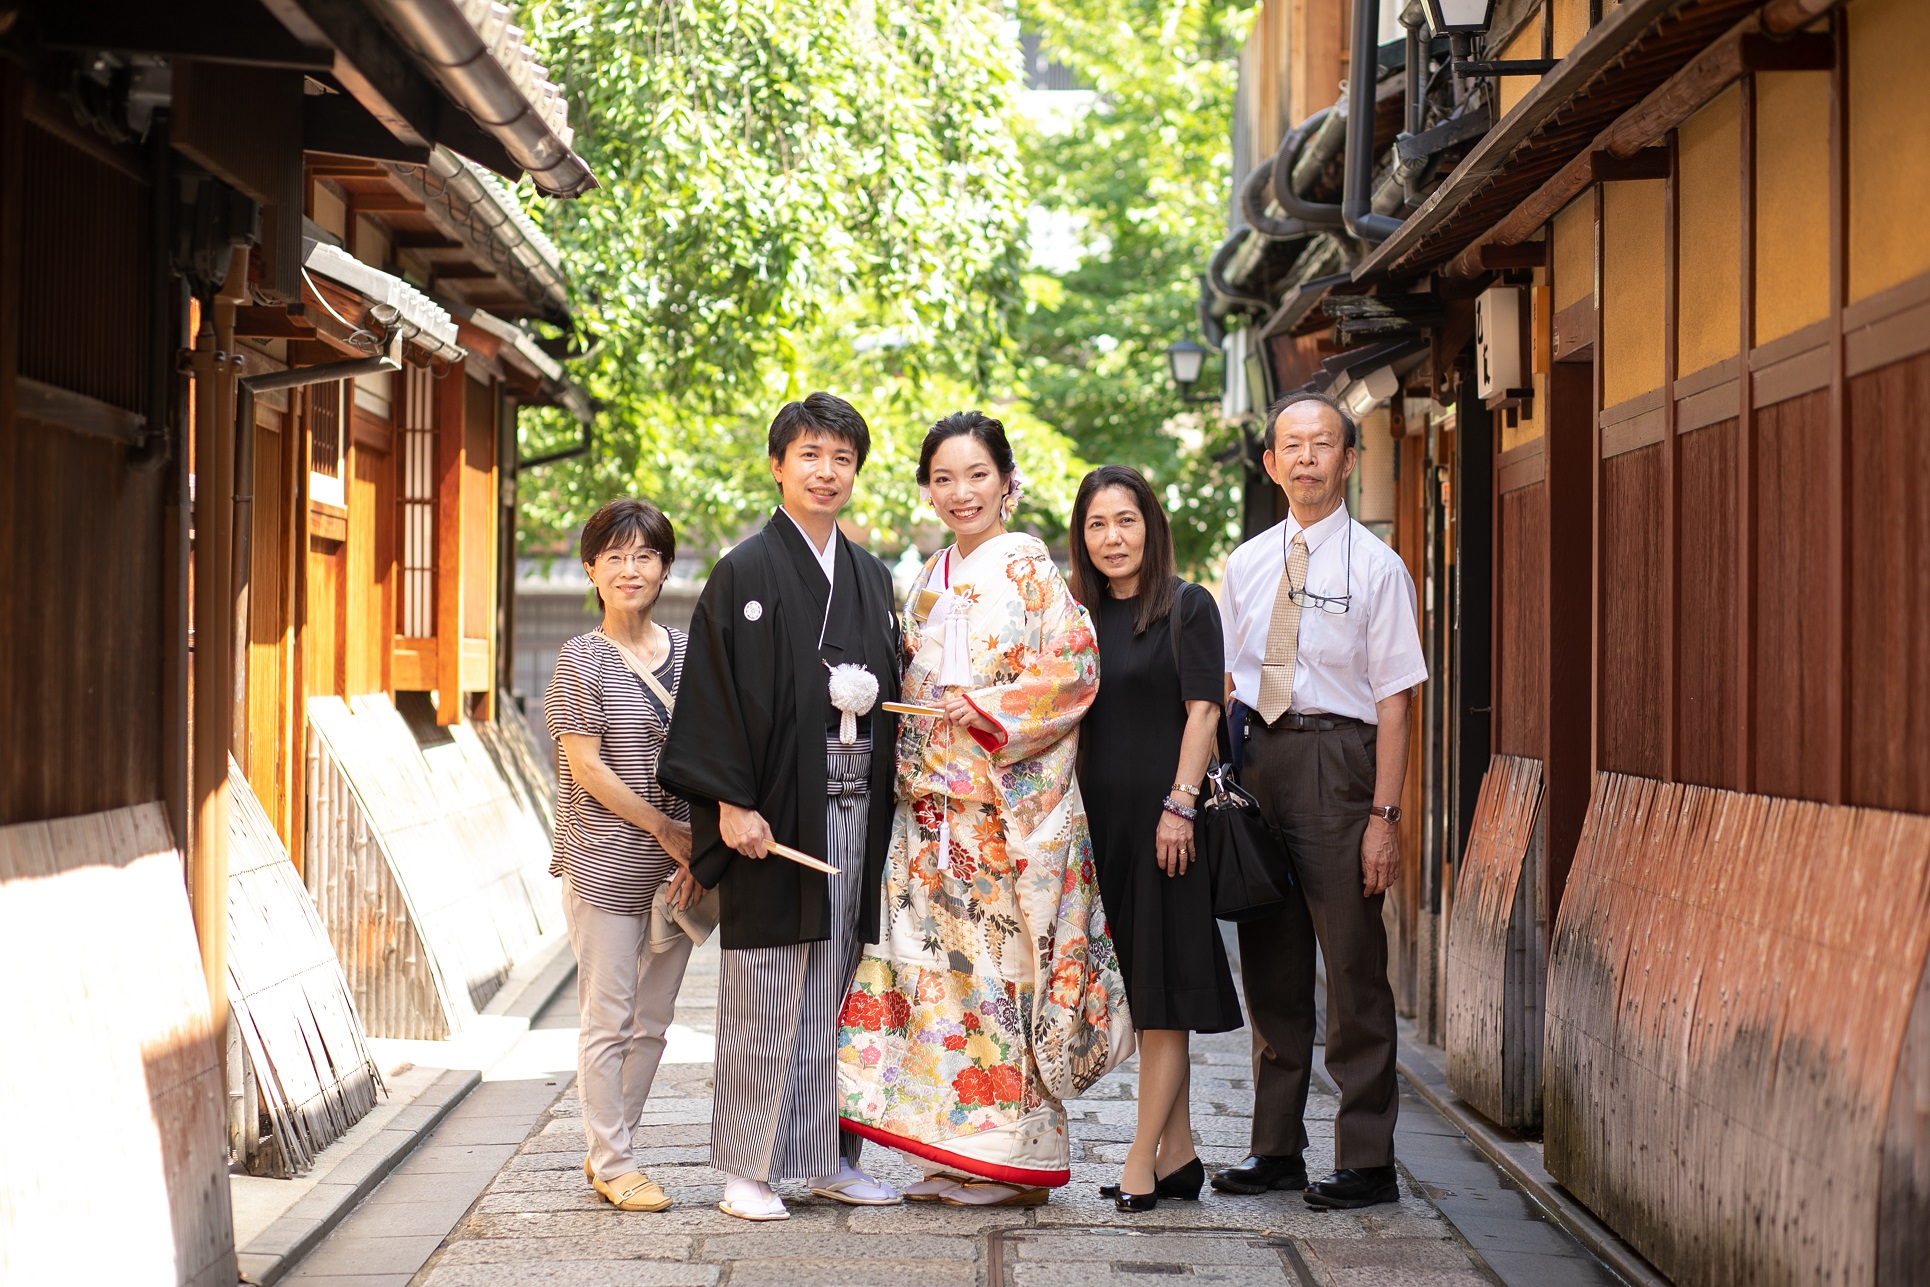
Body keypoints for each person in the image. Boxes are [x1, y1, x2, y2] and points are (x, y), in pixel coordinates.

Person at [835, 411, 1132, 1207]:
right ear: (927, 489)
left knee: (1000, 981)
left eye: (976, 475)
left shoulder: (1034, 570)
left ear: (1008, 482)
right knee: (936, 984)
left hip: (997, 814)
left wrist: (994, 710)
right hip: (926, 809)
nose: (960, 492)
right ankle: (954, 1152)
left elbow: (1074, 672)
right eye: (943, 478)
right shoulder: (927, 575)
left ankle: (1014, 1160)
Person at [657, 393, 904, 1221]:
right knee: (766, 986)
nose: (826, 471)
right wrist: (728, 802)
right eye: (810, 454)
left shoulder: (871, 575)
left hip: (855, 806)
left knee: (838, 987)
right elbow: (714, 693)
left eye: (841, 458)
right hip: (772, 815)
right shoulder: (746, 571)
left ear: (855, 470)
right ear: (778, 465)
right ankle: (746, 1168)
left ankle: (829, 1156)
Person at [1213, 390, 1427, 1210]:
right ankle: (1276, 1147)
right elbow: (1227, 678)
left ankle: (1367, 1157)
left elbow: (1397, 700)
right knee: (1269, 962)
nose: (1306, 457)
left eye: (1322, 444)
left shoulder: (1378, 566)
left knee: (1352, 966)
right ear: (1271, 463)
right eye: (1291, 446)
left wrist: (1384, 815)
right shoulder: (1249, 560)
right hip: (1258, 758)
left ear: (1347, 459)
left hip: (1340, 765)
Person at [1067, 466, 1242, 1213]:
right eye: (1098, 523)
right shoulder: (1077, 615)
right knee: (1143, 989)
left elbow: (1204, 712)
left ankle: (1140, 1158)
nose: (1112, 536)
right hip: (1101, 827)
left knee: (1165, 994)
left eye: (1126, 520)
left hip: (1167, 826)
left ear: (1151, 525)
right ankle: (1180, 1153)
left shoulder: (1188, 606)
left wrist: (1179, 804)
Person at [544, 498, 703, 1213]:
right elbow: (588, 767)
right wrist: (664, 827)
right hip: (606, 860)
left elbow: (713, 757)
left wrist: (693, 843)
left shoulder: (694, 653)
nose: (630, 569)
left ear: (665, 567)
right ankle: (614, 1158)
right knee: (608, 1016)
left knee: (655, 1018)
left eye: (644, 555)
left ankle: (615, 1148)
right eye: (614, 556)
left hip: (682, 867)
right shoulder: (580, 657)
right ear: (592, 569)